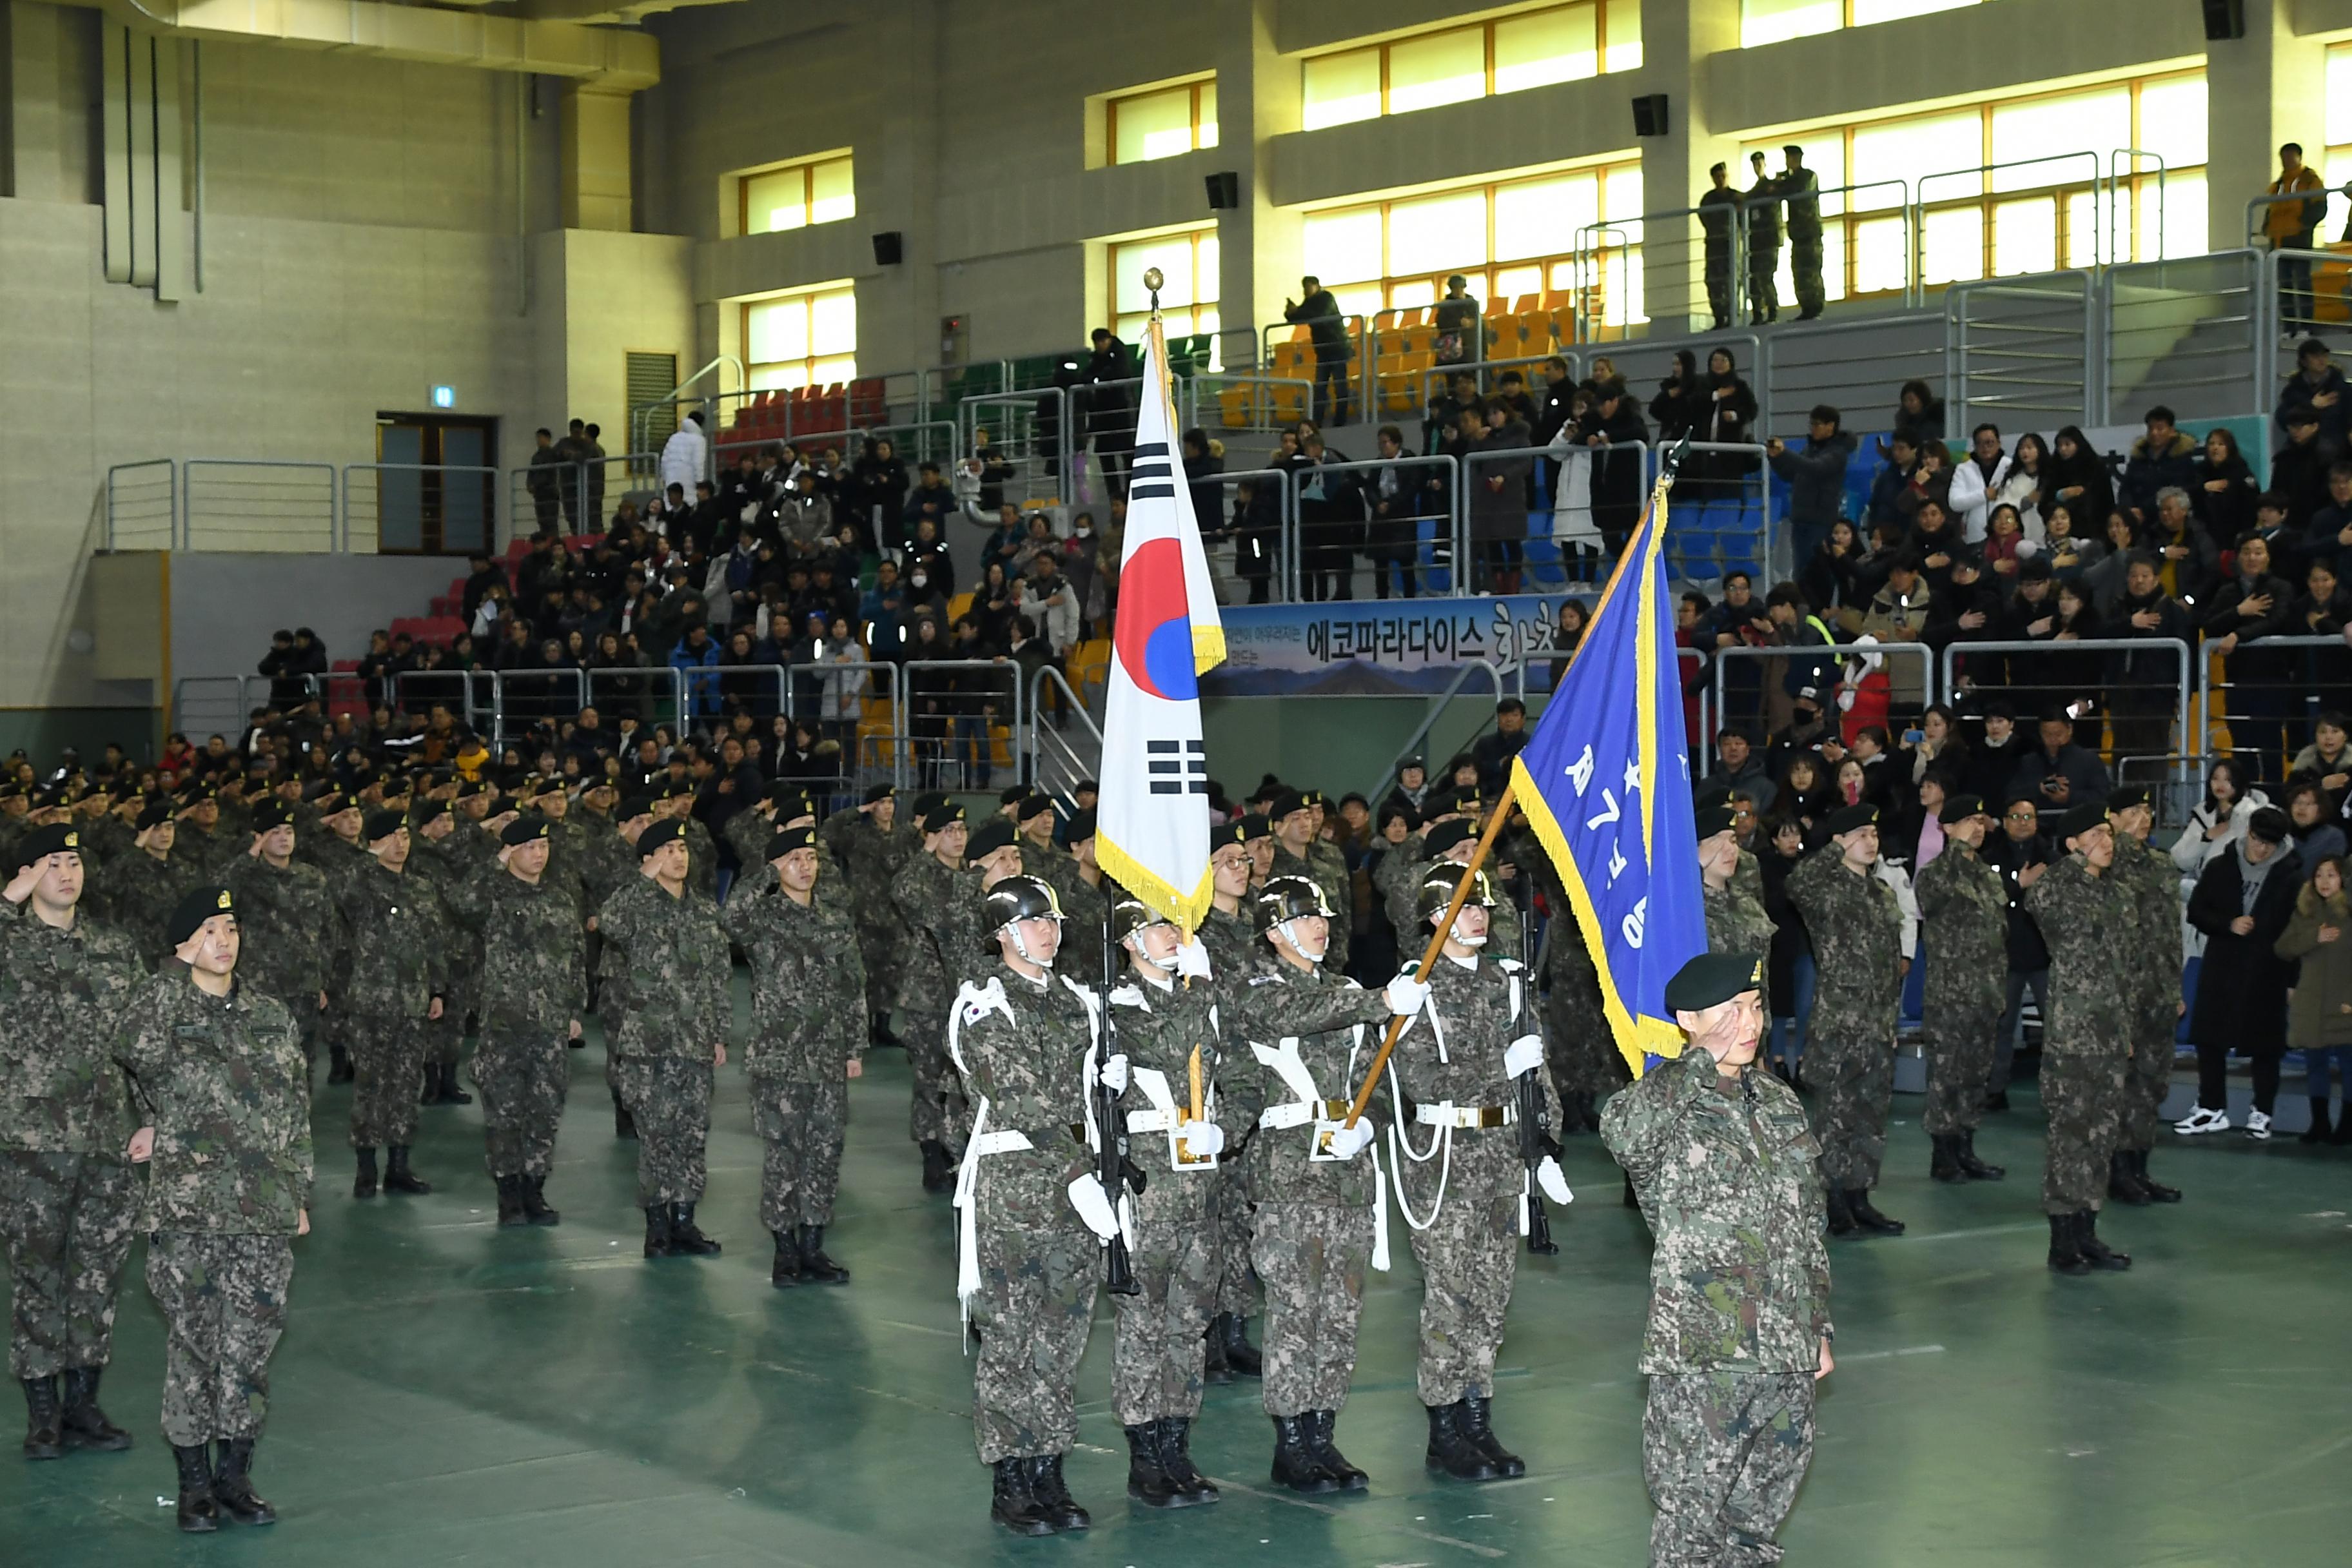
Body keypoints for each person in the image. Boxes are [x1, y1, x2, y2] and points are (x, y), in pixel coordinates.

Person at [1602, 951, 1832, 1568]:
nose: (1748, 1025)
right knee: (1692, 1525)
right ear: (1688, 1020)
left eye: (1754, 1008)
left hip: (1785, 1346)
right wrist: (1703, 1056)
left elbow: (1807, 1226)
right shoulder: (1668, 1106)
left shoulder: (1781, 1102)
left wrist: (1818, 1329)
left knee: (1757, 1526)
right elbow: (1622, 1134)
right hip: (1706, 1352)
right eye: (1730, 1012)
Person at [1217, 876, 1427, 1493]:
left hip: (1349, 1175)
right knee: (1294, 1311)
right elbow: (1292, 1016)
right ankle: (1290, 1443)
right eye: (1307, 919)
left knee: (1340, 1314)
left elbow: (1383, 1082)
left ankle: (1323, 1434)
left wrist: (1370, 1125)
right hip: (1291, 1177)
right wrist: (1379, 1001)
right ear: (1275, 931)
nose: (1321, 927)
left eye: (1324, 919)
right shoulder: (1255, 988)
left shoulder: (1345, 992)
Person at [112, 885, 309, 1532]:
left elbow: (295, 1110)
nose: (222, 941)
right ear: (182, 943)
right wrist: (174, 973)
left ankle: (235, 1478)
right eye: (207, 930)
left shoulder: (270, 1013)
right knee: (194, 1347)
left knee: (250, 1348)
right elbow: (130, 1043)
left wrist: (298, 1192)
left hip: (262, 1209)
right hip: (190, 1210)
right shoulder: (164, 1009)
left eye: (229, 928)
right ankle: (194, 1484)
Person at [1385, 870, 1568, 1483]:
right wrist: (1499, 1065)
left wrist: (1545, 1140)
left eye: (1484, 907)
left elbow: (1535, 1065)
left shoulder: (1508, 982)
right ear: (1436, 919)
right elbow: (1418, 1082)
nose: (1480, 917)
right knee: (1449, 1295)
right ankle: (1443, 1427)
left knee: (1491, 1296)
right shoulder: (1417, 990)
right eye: (1465, 908)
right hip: (1447, 1155)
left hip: (1501, 1153)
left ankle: (1478, 1418)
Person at [946, 874, 1106, 1536]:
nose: (1051, 930)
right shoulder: (982, 1005)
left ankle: (1049, 1465)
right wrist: (1078, 1171)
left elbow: (1087, 1097)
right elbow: (1018, 1094)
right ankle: (1012, 1474)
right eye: (1036, 921)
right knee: (1011, 1338)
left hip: (1078, 1191)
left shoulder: (1078, 1003)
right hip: (1017, 1192)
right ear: (1004, 933)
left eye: (1054, 920)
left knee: (1063, 1336)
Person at [1, 824, 144, 1462]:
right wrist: (6, 902)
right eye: (52, 862)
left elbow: (145, 1040)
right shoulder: (9, 941)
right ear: (29, 873)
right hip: (33, 1140)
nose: (67, 871)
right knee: (38, 1274)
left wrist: (151, 1116)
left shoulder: (113, 946)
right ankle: (42, 1414)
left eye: (74, 860)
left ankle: (83, 1404)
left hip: (110, 1138)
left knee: (98, 1271)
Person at [1100, 899, 1226, 1507]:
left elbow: (1241, 1074)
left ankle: (1177, 1445)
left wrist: (1231, 1125)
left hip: (1201, 1185)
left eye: (1178, 926)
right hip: (1149, 1188)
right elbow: (1173, 1044)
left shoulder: (1204, 1002)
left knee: (1189, 1326)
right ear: (1129, 942)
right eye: (1158, 928)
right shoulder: (1117, 1005)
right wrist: (1199, 984)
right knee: (1144, 1326)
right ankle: (1145, 1455)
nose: (1174, 937)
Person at [722, 825, 864, 1285]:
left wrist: (854, 1047)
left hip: (827, 1057)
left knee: (825, 1153)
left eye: (811, 858)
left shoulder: (835, 919)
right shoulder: (763, 918)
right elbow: (730, 916)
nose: (805, 867)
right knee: (784, 1155)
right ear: (778, 866)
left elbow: (852, 987)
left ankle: (813, 1246)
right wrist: (765, 870)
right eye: (795, 859)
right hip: (778, 1058)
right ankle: (785, 1250)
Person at [597, 817, 731, 1257]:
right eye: (669, 849)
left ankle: (685, 1220)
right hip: (649, 1044)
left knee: (691, 1134)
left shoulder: (705, 910)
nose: (680, 857)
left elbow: (719, 978)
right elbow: (609, 923)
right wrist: (642, 880)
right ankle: (657, 1225)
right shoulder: (637, 906)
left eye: (683, 849)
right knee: (655, 1135)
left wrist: (719, 1034)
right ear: (650, 859)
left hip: (694, 1041)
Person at [444, 815, 582, 1227]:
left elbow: (574, 957)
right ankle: (508, 1195)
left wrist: (575, 1011)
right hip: (505, 1024)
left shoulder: (560, 898)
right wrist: (497, 858)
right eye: (528, 848)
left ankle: (534, 1190)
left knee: (545, 1110)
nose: (538, 855)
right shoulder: (494, 895)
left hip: (550, 1024)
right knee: (504, 1114)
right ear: (511, 852)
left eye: (543, 847)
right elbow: (460, 901)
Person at [2022, 805, 2136, 1274]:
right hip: (2073, 1035)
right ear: (2071, 844)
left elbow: (2124, 970)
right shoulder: (2057, 889)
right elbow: (2037, 897)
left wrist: (2125, 1029)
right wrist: (2072, 855)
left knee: (2101, 1134)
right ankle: (2062, 1239)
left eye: (2110, 834)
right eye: (2096, 834)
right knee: (2069, 1135)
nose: (2108, 841)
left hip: (2110, 1033)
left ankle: (2088, 1231)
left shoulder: (2121, 895)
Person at [1783, 803, 1906, 1236]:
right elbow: (1796, 882)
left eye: (1873, 833)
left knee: (1870, 1115)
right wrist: (1832, 848)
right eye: (1859, 834)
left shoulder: (1882, 894)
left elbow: (1891, 964)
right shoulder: (1825, 888)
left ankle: (1860, 1195)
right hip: (1840, 1020)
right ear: (1839, 841)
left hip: (1876, 1021)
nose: (1870, 842)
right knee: (1835, 1115)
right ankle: (1831, 1200)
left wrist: (1889, 1023)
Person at [331, 810, 446, 1199]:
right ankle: (366, 1169)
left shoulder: (421, 888)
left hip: (412, 1002)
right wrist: (369, 855)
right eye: (393, 836)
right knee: (370, 1086)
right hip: (371, 1002)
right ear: (376, 842)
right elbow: (343, 893)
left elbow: (434, 942)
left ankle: (399, 1167)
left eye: (405, 835)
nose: (402, 842)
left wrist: (438, 990)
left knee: (405, 1086)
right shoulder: (361, 881)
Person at [2176, 808, 2302, 1140]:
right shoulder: (2220, 866)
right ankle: (2211, 1108)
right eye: (2258, 840)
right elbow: (2196, 912)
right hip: (2222, 964)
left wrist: (2292, 981)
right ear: (2248, 832)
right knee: (2209, 1039)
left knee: (2266, 1046)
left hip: (2268, 970)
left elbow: (2297, 931)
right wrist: (2228, 924)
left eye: (2269, 845)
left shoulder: (2292, 876)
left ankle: (2262, 1113)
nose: (2261, 850)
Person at [1911, 794, 2008, 1184]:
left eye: (1982, 821)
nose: (1978, 828)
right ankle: (1944, 1154)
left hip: (1985, 993)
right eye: (1968, 821)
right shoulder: (1935, 873)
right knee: (1947, 1076)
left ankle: (1967, 1148)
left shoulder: (1988, 875)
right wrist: (1958, 850)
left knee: (1974, 1075)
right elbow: (1931, 901)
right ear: (1947, 828)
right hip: (1950, 994)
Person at [2104, 788, 2186, 1204]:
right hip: (2125, 994)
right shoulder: (2108, 865)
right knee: (2123, 1085)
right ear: (2114, 819)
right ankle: (2117, 1170)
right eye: (2132, 811)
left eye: (2146, 810)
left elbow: (2172, 934)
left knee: (2152, 1084)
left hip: (2159, 990)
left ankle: (2140, 1166)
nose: (2143, 817)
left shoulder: (2161, 865)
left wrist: (2175, 988)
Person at [893, 802, 981, 1190]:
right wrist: (925, 853)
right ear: (931, 838)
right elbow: (904, 894)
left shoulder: (972, 877)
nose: (958, 837)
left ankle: (958, 1146)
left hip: (966, 990)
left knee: (963, 1076)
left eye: (962, 829)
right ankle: (931, 1152)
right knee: (930, 1075)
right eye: (948, 831)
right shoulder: (921, 876)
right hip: (930, 993)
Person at [220, 800, 333, 1072]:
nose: (284, 838)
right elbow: (221, 893)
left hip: (304, 985)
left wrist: (322, 980)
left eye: (289, 831)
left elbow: (328, 931)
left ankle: (301, 1115)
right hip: (262, 986)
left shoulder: (312, 877)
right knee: (261, 1060)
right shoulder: (248, 876)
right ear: (260, 838)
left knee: (303, 1061)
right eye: (275, 832)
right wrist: (251, 854)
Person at [2277, 854, 2352, 1145]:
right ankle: (2319, 1122)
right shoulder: (2304, 912)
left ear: (2343, 879)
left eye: (2331, 875)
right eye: (2319, 875)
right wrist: (2314, 937)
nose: (2324, 881)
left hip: (2344, 1000)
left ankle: (2347, 1126)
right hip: (2311, 999)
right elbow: (2283, 948)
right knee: (2315, 1064)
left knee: (2349, 1064)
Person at [1765, 407, 1856, 572]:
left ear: (1831, 426)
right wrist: (1775, 458)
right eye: (1811, 424)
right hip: (1801, 518)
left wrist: (1785, 453)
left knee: (1816, 572)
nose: (1813, 428)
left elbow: (1816, 469)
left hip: (1820, 520)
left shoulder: (1838, 452)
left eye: (1817, 424)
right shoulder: (1810, 449)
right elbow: (1790, 475)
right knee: (1800, 572)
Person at [2266, 142, 2329, 331]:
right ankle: (2290, 328)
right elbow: (2271, 210)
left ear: (2299, 157)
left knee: (2302, 283)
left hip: (2299, 239)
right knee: (2283, 287)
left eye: (2290, 156)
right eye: (2283, 157)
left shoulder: (2310, 180)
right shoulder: (2277, 186)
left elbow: (2320, 207)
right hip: (2278, 242)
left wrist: (2303, 224)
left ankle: (2307, 327)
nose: (2287, 160)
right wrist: (2266, 227)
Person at [1284, 276, 1352, 427]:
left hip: (1337, 347)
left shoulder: (1327, 298)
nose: (1306, 291)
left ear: (1316, 286)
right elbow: (1297, 318)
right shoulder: (1311, 302)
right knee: (1320, 388)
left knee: (1340, 386)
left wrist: (1298, 311)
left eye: (1308, 287)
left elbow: (1318, 314)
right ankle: (1317, 423)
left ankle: (1340, 421)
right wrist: (1290, 312)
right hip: (1323, 350)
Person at [1780, 144, 1824, 320]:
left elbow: (1795, 190)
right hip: (1798, 235)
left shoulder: (1807, 176)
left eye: (1790, 158)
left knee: (1811, 271)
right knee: (1798, 272)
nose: (1788, 161)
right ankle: (1806, 308)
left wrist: (1781, 182)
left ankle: (1815, 308)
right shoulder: (1792, 179)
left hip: (1810, 233)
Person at [1697, 162, 1738, 329]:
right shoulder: (1708, 199)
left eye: (1724, 176)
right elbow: (1705, 220)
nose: (1721, 179)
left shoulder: (1735, 197)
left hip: (1730, 244)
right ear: (1713, 178)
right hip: (1714, 244)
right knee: (1713, 281)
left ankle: (1731, 316)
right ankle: (1719, 317)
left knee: (1730, 281)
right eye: (1718, 176)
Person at [1743, 150, 1781, 325]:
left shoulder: (1770, 187)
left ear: (1765, 164)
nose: (1757, 167)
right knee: (1753, 279)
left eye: (1760, 164)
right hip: (1756, 241)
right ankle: (1758, 313)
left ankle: (1772, 311)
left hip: (1768, 240)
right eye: (1754, 164)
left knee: (1766, 277)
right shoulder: (1757, 190)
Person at [659, 409, 708, 500]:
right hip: (688, 478)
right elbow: (698, 462)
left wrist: (664, 477)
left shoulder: (674, 437)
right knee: (688, 505)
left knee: (671, 504)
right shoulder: (699, 440)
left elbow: (664, 460)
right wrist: (699, 481)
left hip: (671, 477)